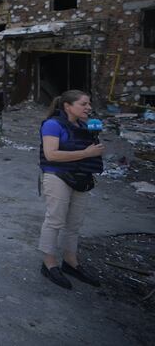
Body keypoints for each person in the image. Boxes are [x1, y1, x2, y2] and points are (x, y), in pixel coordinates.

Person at [38, 90, 105, 290]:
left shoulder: (85, 126)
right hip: (57, 175)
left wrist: (94, 146)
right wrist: (86, 152)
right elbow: (51, 155)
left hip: (81, 176)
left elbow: (90, 151)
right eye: (84, 104)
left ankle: (70, 262)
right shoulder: (52, 124)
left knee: (74, 223)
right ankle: (49, 264)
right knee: (55, 220)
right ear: (68, 106)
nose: (89, 108)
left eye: (89, 104)